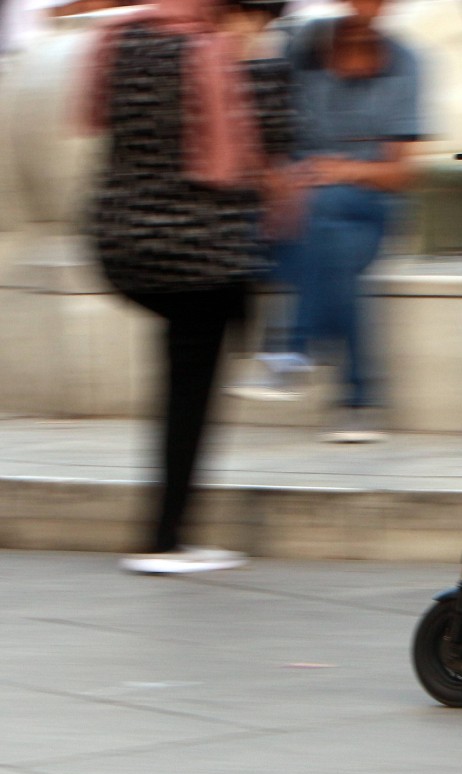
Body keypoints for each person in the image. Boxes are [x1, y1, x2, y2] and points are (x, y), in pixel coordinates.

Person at [82, 0, 292, 573]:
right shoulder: (226, 55)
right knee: (192, 386)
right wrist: (262, 59)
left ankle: (167, 532)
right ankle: (164, 539)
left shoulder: (124, 37)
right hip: (196, 256)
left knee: (187, 372)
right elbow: (273, 140)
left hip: (118, 240)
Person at [230, 0, 424, 444]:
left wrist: (343, 170)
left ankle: (290, 348)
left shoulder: (403, 61)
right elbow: (265, 128)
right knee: (335, 244)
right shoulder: (301, 48)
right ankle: (358, 402)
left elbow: (400, 175)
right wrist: (279, 177)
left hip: (367, 204)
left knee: (326, 210)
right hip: (301, 212)